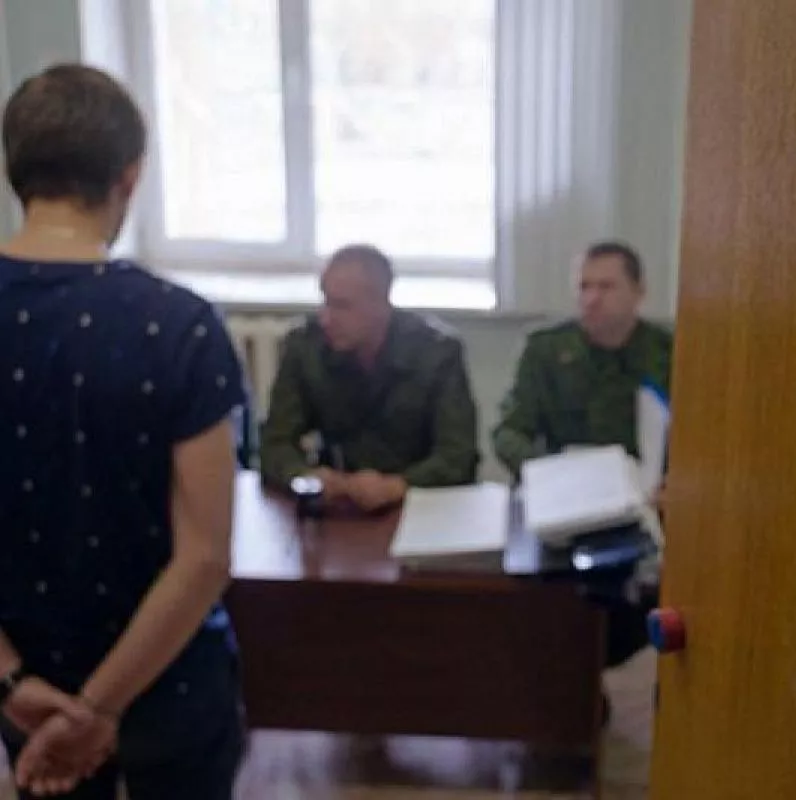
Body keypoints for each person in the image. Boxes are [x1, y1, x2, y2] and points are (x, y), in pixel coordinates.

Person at [0, 65, 246, 798]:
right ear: (129, 178)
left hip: (25, 692)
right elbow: (205, 557)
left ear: (14, 171)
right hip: (169, 688)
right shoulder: (180, 327)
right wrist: (99, 709)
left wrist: (12, 682)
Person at [492, 240, 673, 668]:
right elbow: (509, 431)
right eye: (583, 286)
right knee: (542, 611)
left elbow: (702, 439)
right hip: (564, 508)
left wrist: (676, 485)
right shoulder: (545, 350)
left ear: (639, 292)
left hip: (645, 508)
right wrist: (545, 474)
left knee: (643, 605)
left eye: (606, 286)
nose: (591, 298)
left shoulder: (669, 352)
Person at [259, 245, 479, 510]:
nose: (327, 319)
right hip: (335, 504)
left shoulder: (437, 353)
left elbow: (458, 456)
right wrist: (305, 477)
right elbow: (274, 443)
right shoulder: (305, 346)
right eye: (326, 301)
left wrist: (398, 485)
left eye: (342, 306)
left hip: (418, 505)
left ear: (381, 305)